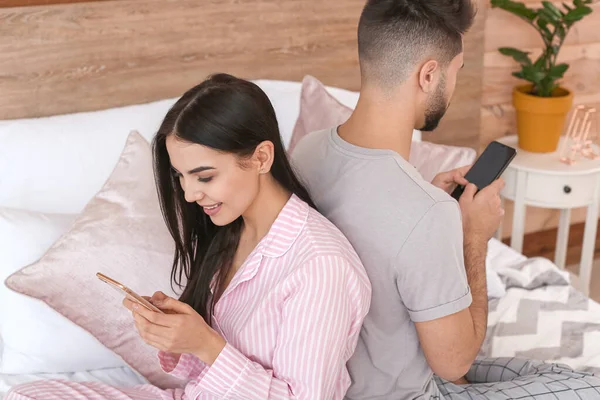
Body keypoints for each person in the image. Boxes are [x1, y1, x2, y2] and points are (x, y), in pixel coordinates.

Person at [291, 1, 600, 399]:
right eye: (456, 72)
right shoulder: (428, 213)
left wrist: (425, 204)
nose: (452, 87)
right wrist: (473, 236)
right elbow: (455, 363)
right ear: (429, 74)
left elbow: (377, 225)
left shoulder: (306, 152)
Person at [6, 74, 371, 400]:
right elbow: (206, 376)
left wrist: (207, 345)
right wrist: (178, 335)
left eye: (204, 177)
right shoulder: (233, 232)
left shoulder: (321, 267)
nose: (190, 194)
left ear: (261, 158)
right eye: (181, 176)